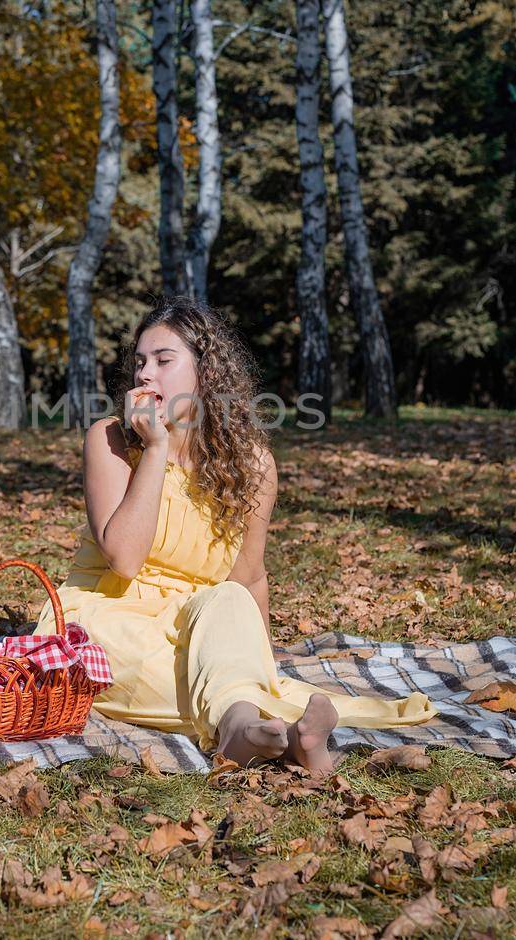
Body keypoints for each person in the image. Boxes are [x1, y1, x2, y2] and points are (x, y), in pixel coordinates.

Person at [32, 295, 437, 776]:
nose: (144, 375)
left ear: (206, 372)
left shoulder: (253, 465)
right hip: (108, 615)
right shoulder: (112, 440)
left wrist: (259, 658)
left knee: (226, 606)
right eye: (140, 362)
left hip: (199, 622)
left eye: (164, 361)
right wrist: (157, 447)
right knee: (169, 676)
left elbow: (247, 580)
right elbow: (123, 558)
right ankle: (259, 728)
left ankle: (253, 732)